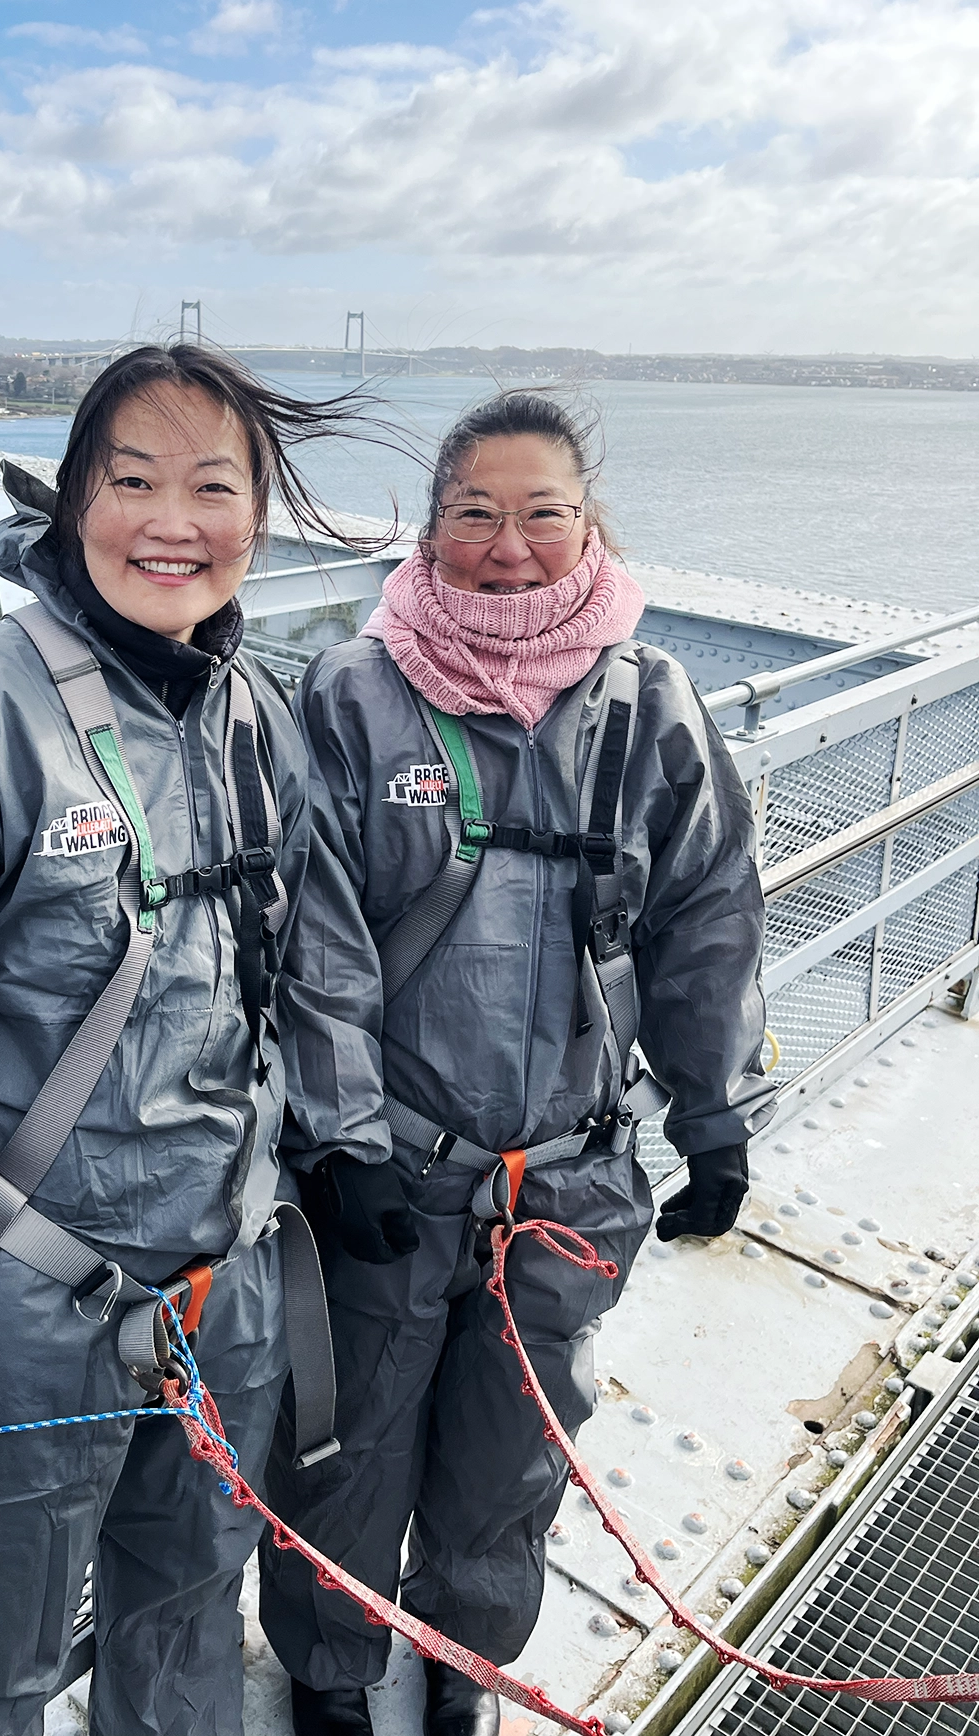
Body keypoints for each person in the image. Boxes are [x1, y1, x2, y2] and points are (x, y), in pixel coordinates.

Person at [0, 343, 396, 1736]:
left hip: (221, 1293)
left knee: (185, 1638)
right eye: (131, 482)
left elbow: (306, 955)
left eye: (212, 487)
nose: (171, 522)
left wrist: (344, 1144)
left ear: (258, 516)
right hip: (15, 1317)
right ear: (68, 503)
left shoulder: (250, 712)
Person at [259, 390, 772, 1736]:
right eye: (475, 515)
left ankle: (462, 1673)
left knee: (513, 1463)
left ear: (590, 522)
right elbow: (316, 937)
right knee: (348, 1449)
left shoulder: (650, 704)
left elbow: (706, 912)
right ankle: (330, 1672)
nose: (510, 545)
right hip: (392, 1174)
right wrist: (341, 1131)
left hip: (569, 1181)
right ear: (427, 532)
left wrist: (714, 1114)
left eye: (544, 513)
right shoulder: (353, 696)